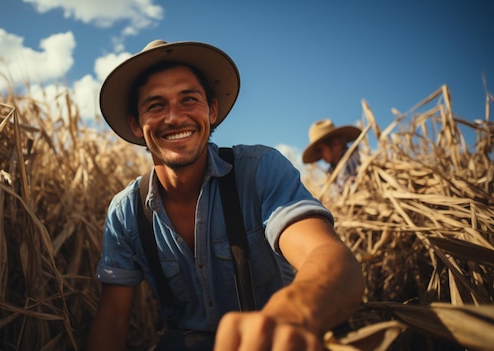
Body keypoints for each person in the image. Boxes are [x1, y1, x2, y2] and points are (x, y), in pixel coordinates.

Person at [86, 39, 364, 351]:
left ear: (212, 109)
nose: (175, 117)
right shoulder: (126, 212)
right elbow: (112, 319)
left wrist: (292, 312)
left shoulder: (259, 171)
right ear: (136, 125)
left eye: (189, 100)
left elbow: (329, 256)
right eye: (156, 105)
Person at [302, 119, 362, 196]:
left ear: (335, 143)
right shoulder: (331, 171)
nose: (320, 156)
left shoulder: (353, 160)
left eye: (320, 150)